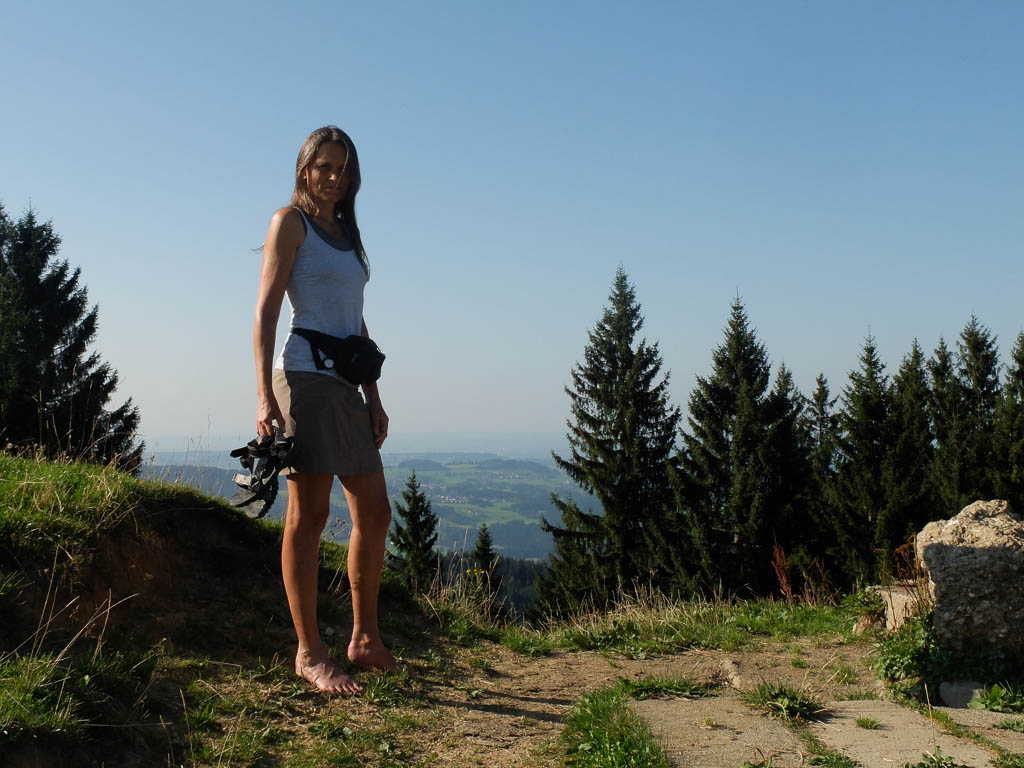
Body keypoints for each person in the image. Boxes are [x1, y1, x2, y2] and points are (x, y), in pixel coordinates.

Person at [253, 125, 396, 694]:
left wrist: (373, 395)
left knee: (375, 512)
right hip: (303, 380)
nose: (335, 177)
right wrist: (264, 396)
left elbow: (353, 318)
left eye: (344, 169)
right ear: (305, 169)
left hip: (346, 384)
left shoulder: (346, 231)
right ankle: (310, 653)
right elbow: (266, 312)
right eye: (325, 167)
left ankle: (364, 640)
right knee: (309, 517)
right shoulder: (290, 222)